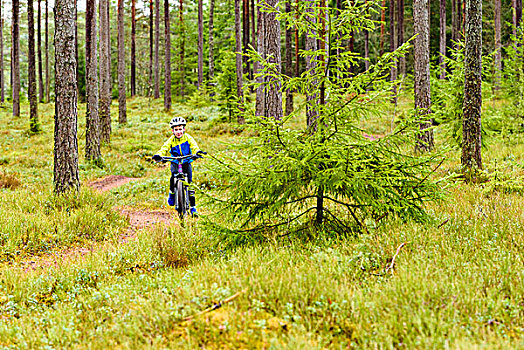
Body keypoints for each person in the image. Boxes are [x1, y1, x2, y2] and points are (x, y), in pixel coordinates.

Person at [152, 117, 204, 215]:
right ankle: (172, 193)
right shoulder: (171, 140)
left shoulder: (188, 138)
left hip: (186, 161)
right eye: (176, 129)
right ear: (173, 131)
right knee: (173, 176)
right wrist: (159, 155)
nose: (178, 132)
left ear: (184, 129)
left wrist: (197, 152)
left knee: (190, 184)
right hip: (175, 161)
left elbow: (194, 146)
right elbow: (164, 148)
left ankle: (193, 208)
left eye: (180, 129)